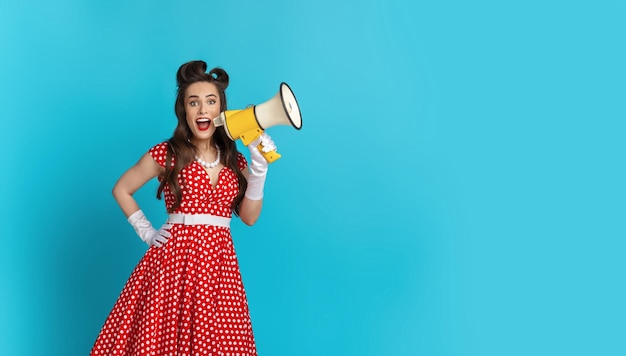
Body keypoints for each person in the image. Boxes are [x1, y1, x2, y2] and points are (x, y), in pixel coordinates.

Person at [91, 60, 274, 356]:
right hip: (173, 264)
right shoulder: (167, 153)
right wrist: (147, 233)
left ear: (221, 111)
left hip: (219, 268)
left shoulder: (235, 161)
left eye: (211, 102)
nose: (203, 110)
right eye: (194, 102)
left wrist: (259, 170)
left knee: (223, 344)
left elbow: (249, 217)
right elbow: (121, 188)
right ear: (184, 110)